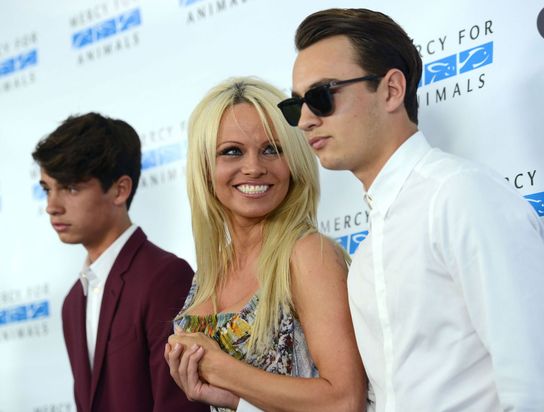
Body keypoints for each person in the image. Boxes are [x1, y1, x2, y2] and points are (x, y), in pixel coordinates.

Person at [277, 7, 544, 412]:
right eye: (296, 106)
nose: (306, 121)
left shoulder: (461, 197)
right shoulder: (367, 254)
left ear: (391, 90)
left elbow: (541, 393)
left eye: (321, 97)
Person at [164, 77, 367, 412]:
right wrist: (228, 398)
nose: (254, 168)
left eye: (272, 149)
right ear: (204, 167)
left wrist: (223, 370)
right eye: (232, 151)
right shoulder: (209, 273)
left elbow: (344, 401)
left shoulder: (307, 255)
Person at [32, 112, 207, 412]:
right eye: (48, 189)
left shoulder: (165, 277)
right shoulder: (73, 301)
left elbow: (181, 404)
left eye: (71, 187)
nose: (52, 206)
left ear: (119, 189)